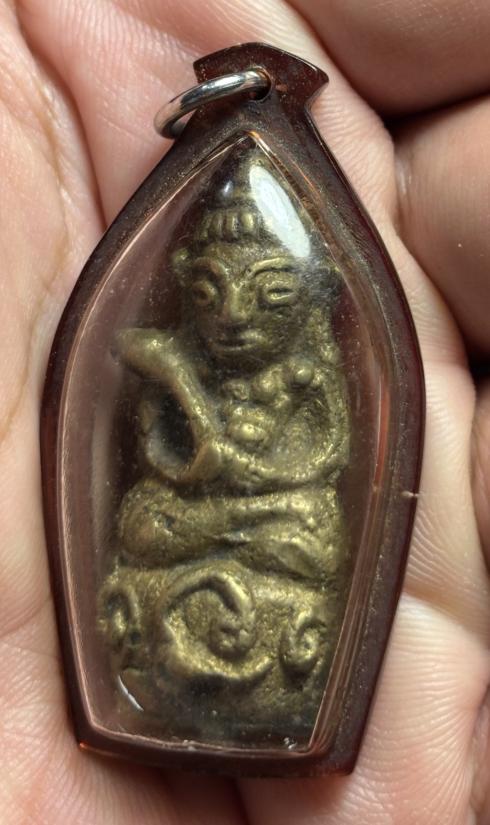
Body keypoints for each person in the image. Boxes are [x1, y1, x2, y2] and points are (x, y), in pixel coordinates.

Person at [1, 0, 489, 822]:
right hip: (193, 517)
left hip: (277, 517)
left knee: (309, 533)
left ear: (307, 296)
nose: (234, 318)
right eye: (209, 293)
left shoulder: (308, 370)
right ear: (185, 289)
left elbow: (323, 460)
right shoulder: (177, 357)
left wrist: (243, 466)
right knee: (144, 521)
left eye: (268, 294)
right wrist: (190, 431)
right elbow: (159, 455)